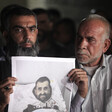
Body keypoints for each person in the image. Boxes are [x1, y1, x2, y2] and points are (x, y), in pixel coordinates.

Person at [67, 14, 112, 112]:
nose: (81, 45)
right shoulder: (64, 69)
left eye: (90, 39)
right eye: (79, 38)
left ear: (105, 45)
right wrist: (80, 95)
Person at [0, 4, 39, 112]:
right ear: (6, 35)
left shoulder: (49, 65)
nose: (27, 36)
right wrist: (1, 104)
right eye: (19, 30)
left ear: (36, 32)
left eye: (32, 29)